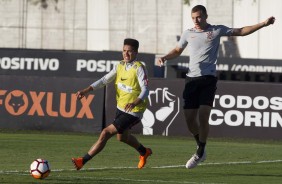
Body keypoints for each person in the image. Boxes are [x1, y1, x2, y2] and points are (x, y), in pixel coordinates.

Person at [157, 5, 275, 169]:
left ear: (205, 16)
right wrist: (164, 57)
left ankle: (200, 151)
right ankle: (200, 146)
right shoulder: (188, 33)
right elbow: (177, 50)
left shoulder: (216, 30)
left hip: (208, 79)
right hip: (191, 80)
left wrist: (263, 23)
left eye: (199, 17)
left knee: (204, 115)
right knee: (190, 120)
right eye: (193, 17)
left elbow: (241, 31)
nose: (196, 20)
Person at [72, 38, 152, 170]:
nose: (126, 54)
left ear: (136, 52)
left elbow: (145, 90)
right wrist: (86, 90)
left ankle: (82, 160)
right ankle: (144, 151)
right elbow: (104, 80)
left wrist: (134, 102)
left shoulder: (139, 68)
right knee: (122, 138)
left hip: (134, 110)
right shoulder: (119, 65)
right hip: (121, 108)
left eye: (130, 51)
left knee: (105, 132)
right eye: (124, 51)